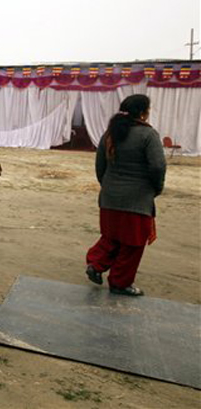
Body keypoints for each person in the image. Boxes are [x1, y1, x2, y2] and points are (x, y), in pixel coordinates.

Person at [85, 94, 166, 296]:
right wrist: (156, 188)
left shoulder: (109, 134)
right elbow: (157, 166)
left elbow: (99, 167)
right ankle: (120, 283)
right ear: (142, 113)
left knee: (112, 237)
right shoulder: (148, 135)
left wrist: (109, 186)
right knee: (133, 243)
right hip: (137, 199)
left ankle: (96, 264)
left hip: (110, 198)